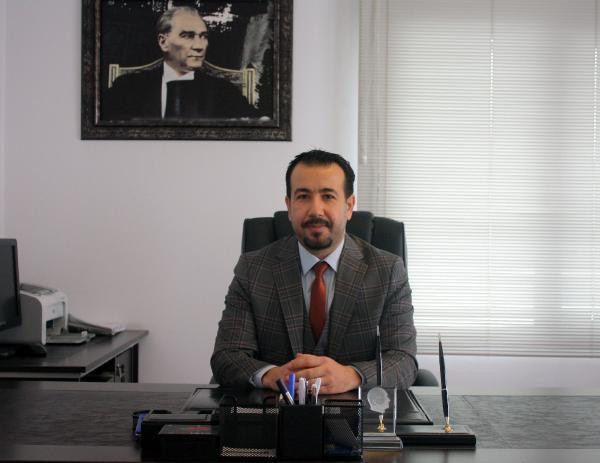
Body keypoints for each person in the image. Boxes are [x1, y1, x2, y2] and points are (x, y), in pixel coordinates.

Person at [211, 150, 417, 394]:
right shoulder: (253, 269)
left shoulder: (387, 270)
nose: (315, 210)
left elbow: (403, 361)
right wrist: (271, 375)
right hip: (277, 410)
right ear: (289, 206)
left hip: (357, 412)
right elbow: (227, 356)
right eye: (303, 196)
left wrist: (353, 375)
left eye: (328, 196)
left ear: (349, 206)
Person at [103, 6, 258, 120]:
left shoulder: (225, 93)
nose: (199, 46)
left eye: (203, 36)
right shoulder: (127, 88)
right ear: (163, 42)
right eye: (188, 36)